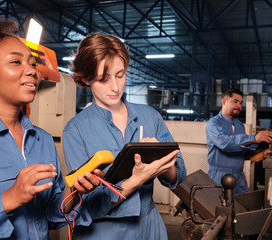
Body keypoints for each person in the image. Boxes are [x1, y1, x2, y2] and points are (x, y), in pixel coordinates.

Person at [0, 10, 103, 239]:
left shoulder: (43, 139)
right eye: (16, 62)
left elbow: (49, 214)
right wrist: (9, 199)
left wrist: (73, 193)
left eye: (32, 63)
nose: (31, 71)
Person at [62, 32, 187, 240]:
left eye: (120, 75)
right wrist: (136, 180)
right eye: (104, 79)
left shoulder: (150, 116)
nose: (115, 86)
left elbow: (179, 177)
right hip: (104, 232)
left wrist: (165, 163)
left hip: (150, 228)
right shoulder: (76, 130)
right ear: (86, 78)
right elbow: (88, 205)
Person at [206, 88, 272, 194]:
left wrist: (261, 151)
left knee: (241, 206)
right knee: (216, 206)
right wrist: (254, 138)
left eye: (241, 103)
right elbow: (225, 143)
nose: (239, 106)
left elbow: (242, 148)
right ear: (223, 101)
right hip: (219, 175)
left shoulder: (239, 125)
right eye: (235, 101)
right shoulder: (213, 123)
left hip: (239, 176)